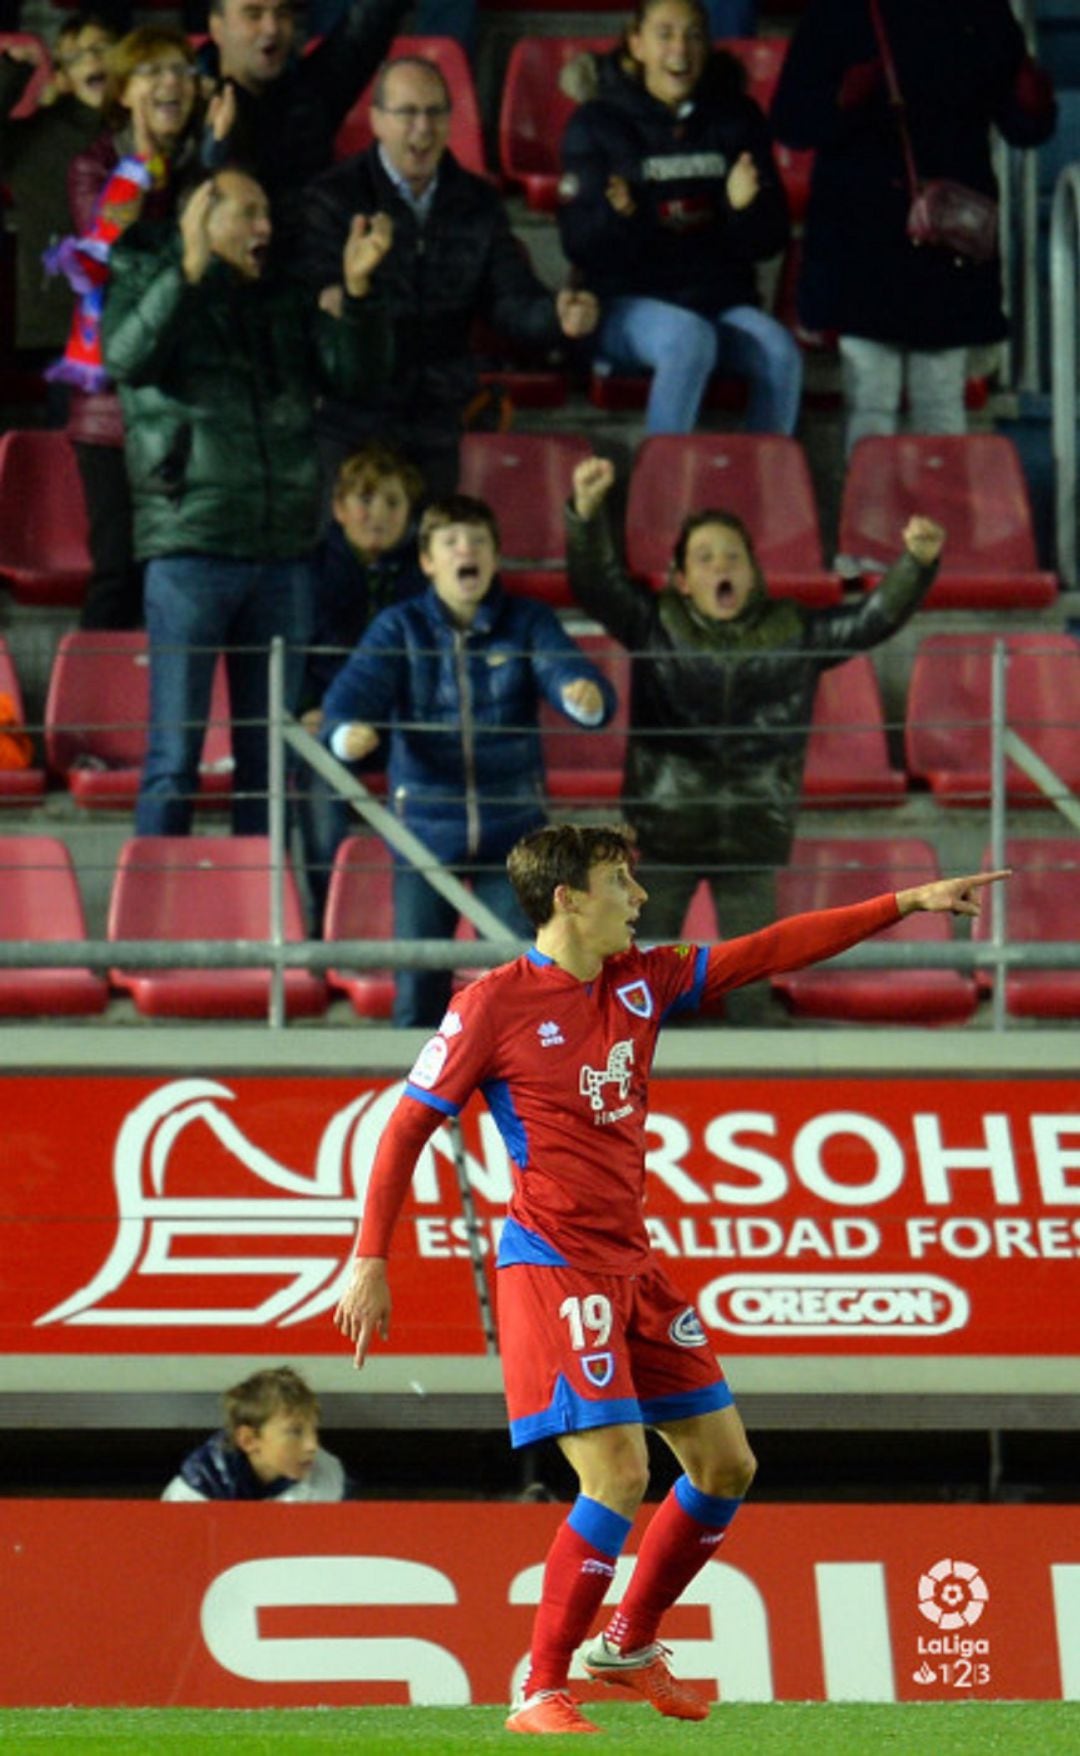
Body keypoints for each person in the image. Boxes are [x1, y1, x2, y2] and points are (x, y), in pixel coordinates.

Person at [334, 821, 1008, 1732]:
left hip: (635, 1264)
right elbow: (406, 1128)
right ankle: (539, 1688)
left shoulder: (642, 980)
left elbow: (767, 949)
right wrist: (371, 1255)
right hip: (554, 1266)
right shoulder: (491, 1006)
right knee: (616, 1472)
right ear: (568, 898)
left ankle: (627, 1642)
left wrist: (906, 903)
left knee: (726, 1462)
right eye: (621, 882)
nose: (639, 899)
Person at [566, 454, 944, 1024]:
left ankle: (752, 1069)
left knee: (752, 975)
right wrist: (587, 513)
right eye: (705, 556)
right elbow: (597, 585)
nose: (723, 565)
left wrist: (915, 565)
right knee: (641, 977)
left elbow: (868, 622)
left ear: (754, 571)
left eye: (734, 556)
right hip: (667, 826)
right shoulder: (653, 622)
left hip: (752, 830)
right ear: (682, 580)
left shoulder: (794, 629)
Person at [101, 167, 394, 837]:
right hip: (189, 548)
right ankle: (155, 931)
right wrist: (188, 268)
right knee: (175, 758)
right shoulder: (147, 272)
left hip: (283, 554)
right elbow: (123, 359)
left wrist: (358, 294)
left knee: (268, 760)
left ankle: (261, 934)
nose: (266, 228)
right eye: (249, 212)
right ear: (203, 215)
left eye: (267, 213)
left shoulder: (284, 299)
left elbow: (357, 375)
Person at [319, 493, 619, 1027]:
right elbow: (349, 701)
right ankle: (418, 1100)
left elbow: (570, 675)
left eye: (479, 540)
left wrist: (583, 697)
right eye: (452, 541)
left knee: (526, 979)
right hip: (422, 835)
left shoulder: (528, 621)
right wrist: (347, 737)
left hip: (515, 834)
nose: (467, 550)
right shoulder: (398, 627)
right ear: (428, 561)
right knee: (418, 982)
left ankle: (524, 1095)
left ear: (495, 557)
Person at [301, 54, 599, 499]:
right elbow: (321, 316)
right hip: (353, 423)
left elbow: (510, 300)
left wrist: (556, 316)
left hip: (439, 419)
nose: (423, 127)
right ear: (377, 121)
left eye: (436, 112)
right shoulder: (332, 200)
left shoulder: (477, 201)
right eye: (408, 113)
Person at [769, 0, 1056, 454]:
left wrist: (1034, 105)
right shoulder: (841, 12)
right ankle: (870, 523)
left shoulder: (982, 13)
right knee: (872, 405)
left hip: (945, 244)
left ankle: (940, 522)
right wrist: (841, 101)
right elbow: (790, 122)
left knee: (938, 404)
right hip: (861, 245)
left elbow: (1023, 128)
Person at [557, 0, 800, 438]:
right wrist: (621, 216)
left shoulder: (738, 117)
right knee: (688, 340)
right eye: (665, 33)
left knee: (780, 351)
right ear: (637, 42)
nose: (680, 49)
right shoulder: (597, 121)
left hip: (718, 301)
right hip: (624, 305)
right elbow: (578, 242)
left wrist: (742, 208)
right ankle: (661, 494)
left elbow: (771, 238)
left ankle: (765, 489)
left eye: (692, 35)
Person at [52, 25, 203, 631]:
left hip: (185, 398)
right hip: (110, 408)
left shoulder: (208, 158)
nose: (172, 83)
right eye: (153, 71)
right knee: (117, 570)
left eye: (182, 71)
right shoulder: (94, 165)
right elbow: (116, 253)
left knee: (176, 578)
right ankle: (96, 710)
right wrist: (143, 165)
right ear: (122, 91)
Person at [297, 441, 427, 927]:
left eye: (393, 503)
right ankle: (325, 919)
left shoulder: (427, 573)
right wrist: (308, 707)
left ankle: (413, 920)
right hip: (329, 723)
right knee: (316, 778)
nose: (378, 514)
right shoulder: (308, 574)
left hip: (402, 726)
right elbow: (294, 658)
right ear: (338, 508)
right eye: (365, 500)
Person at [200, 0, 410, 259]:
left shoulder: (312, 94)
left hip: (312, 276)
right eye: (253, 15)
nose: (271, 28)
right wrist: (213, 154)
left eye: (283, 13)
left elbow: (368, 24)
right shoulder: (180, 101)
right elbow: (141, 171)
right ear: (217, 27)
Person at [0, 15, 114, 420]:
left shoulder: (140, 128)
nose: (96, 61)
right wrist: (14, 73)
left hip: (131, 315)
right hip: (59, 325)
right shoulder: (34, 138)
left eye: (104, 49)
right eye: (81, 56)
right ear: (62, 77)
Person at [162, 1365, 351, 1501]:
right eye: (295, 1432)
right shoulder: (189, 1495)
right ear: (248, 1440)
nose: (312, 1445)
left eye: (313, 1430)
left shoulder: (328, 1476)